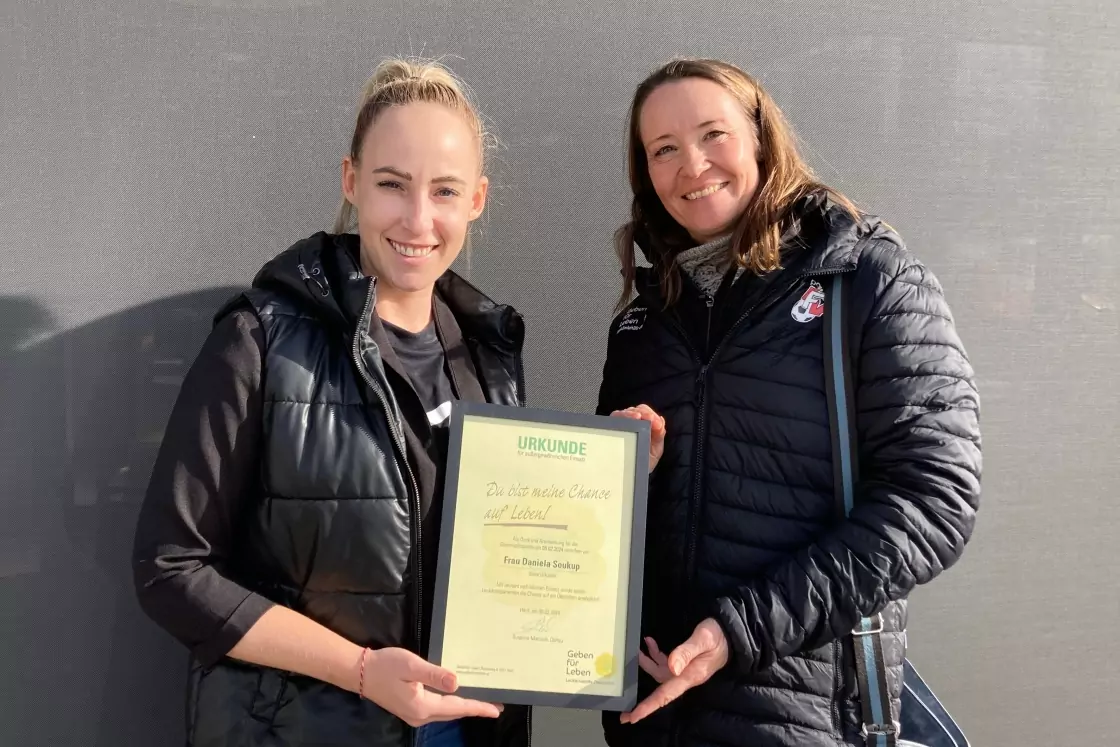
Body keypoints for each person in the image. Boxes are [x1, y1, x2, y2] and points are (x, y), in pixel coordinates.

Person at [132, 58, 530, 747]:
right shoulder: (259, 340)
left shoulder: (490, 356)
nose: (418, 218)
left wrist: (613, 480)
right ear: (351, 181)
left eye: (444, 190)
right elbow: (172, 567)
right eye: (391, 184)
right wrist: (361, 671)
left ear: (477, 200)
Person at [599, 58, 981, 747]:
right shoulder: (642, 323)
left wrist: (739, 629)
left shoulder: (866, 279)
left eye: (713, 134)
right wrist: (626, 478)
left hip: (806, 719)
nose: (692, 165)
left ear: (759, 137)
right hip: (657, 716)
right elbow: (620, 528)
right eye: (664, 149)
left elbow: (935, 499)